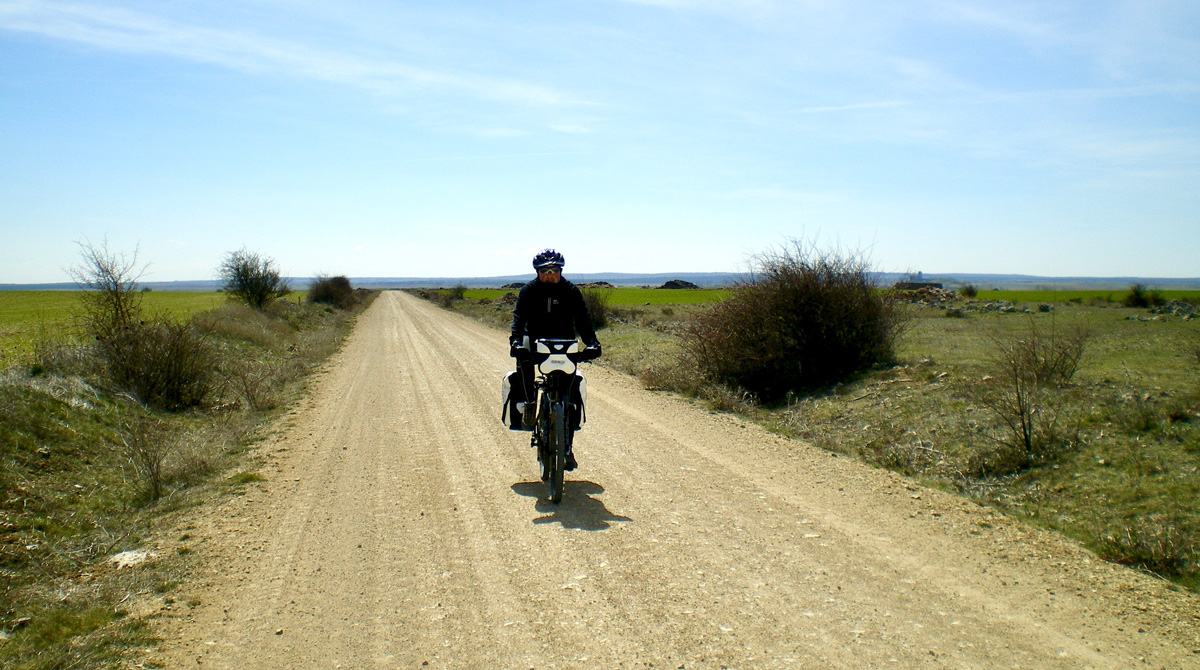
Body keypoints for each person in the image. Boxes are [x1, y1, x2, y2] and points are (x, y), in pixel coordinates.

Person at [509, 249, 601, 470]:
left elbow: (583, 318)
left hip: (564, 342)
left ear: (560, 270)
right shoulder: (529, 291)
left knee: (568, 397)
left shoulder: (570, 291)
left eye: (554, 270)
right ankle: (530, 404)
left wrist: (592, 342)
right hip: (535, 339)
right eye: (545, 271)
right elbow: (519, 318)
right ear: (538, 272)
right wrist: (516, 342)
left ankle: (566, 448)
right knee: (524, 362)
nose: (550, 275)